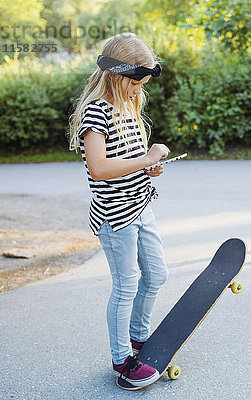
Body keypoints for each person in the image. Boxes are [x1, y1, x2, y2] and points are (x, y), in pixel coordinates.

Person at [68, 32, 169, 388]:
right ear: (115, 74)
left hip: (142, 206)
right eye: (133, 82)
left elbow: (127, 161)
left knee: (156, 275)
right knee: (126, 286)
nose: (138, 90)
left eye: (142, 83)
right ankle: (121, 358)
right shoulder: (96, 112)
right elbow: (98, 168)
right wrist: (145, 157)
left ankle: (138, 336)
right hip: (116, 218)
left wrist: (149, 166)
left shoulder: (130, 106)